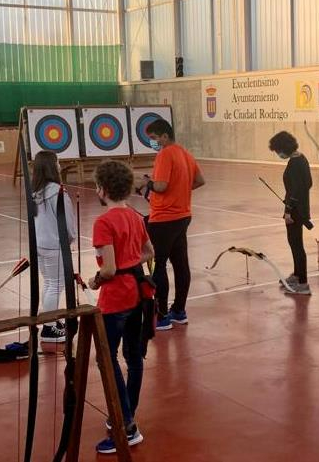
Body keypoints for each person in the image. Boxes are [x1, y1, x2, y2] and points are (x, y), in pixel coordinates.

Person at [89, 161, 154, 453]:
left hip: (115, 298)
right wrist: (131, 264)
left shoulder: (104, 222)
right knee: (133, 356)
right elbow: (149, 253)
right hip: (137, 294)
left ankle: (126, 424)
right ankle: (126, 412)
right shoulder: (136, 217)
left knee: (107, 358)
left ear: (102, 189)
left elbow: (110, 269)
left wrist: (95, 280)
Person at [141, 119, 205, 330]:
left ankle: (162, 316)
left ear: (165, 136)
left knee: (158, 265)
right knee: (180, 264)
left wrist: (145, 182)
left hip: (163, 219)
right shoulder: (185, 153)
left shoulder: (165, 154)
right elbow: (199, 180)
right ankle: (179, 311)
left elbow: (160, 186)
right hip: (182, 216)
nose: (154, 143)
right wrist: (180, 192)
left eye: (154, 138)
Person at [31, 150, 77, 343]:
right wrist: (70, 239)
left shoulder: (36, 191)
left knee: (50, 283)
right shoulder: (56, 191)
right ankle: (49, 329)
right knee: (55, 285)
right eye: (57, 162)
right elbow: (67, 222)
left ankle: (50, 322)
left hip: (40, 244)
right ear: (52, 166)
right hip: (54, 244)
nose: (59, 165)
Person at [268, 131, 312, 294]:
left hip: (294, 211)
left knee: (297, 246)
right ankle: (297, 274)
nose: (278, 154)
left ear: (283, 148)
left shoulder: (294, 164)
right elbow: (308, 183)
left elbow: (294, 191)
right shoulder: (302, 158)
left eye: (278, 150)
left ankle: (303, 283)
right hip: (301, 209)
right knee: (295, 244)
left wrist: (288, 212)